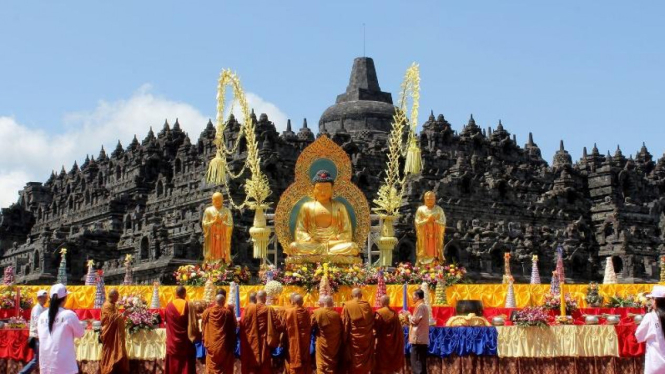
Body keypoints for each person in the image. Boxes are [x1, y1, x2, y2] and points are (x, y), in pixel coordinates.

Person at [37, 283, 86, 374]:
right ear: (65, 299)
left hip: (46, 364)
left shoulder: (42, 316)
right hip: (65, 365)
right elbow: (81, 333)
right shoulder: (69, 315)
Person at [240, 290, 282, 374]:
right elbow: (278, 325)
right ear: (265, 298)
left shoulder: (248, 309)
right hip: (264, 340)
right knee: (264, 362)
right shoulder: (269, 309)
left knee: (251, 360)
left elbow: (242, 324)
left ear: (256, 297)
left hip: (251, 340)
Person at [165, 286, 201, 374]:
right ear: (184, 294)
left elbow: (167, 322)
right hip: (185, 341)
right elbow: (193, 323)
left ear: (175, 293)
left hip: (173, 341)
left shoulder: (169, 306)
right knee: (186, 363)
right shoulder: (188, 305)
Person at [201, 293, 237, 374]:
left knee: (211, 366)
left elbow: (203, 326)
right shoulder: (227, 313)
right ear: (224, 302)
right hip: (223, 346)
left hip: (211, 345)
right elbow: (234, 327)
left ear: (214, 301)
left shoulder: (207, 312)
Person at [341, 288, 374, 374]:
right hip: (366, 339)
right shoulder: (367, 305)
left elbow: (345, 324)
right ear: (361, 295)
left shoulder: (348, 306)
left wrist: (343, 339)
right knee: (364, 365)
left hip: (354, 340)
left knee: (354, 363)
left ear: (352, 296)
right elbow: (371, 321)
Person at [636, 285, 665, 373]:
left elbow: (639, 336)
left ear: (655, 300)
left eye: (651, 298)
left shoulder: (650, 317)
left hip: (655, 363)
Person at [100, 289, 129, 374]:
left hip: (115, 333)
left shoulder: (113, 305)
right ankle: (107, 369)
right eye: (117, 297)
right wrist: (123, 315)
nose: (117, 298)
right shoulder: (107, 306)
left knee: (118, 351)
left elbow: (116, 316)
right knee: (109, 352)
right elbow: (111, 320)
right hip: (109, 334)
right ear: (112, 296)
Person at [18, 289, 47, 374]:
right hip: (37, 337)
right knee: (36, 359)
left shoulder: (43, 308)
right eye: (44, 297)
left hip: (41, 337)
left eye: (46, 297)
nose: (46, 299)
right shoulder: (37, 309)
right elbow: (39, 323)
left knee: (39, 359)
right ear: (39, 298)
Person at [311, 295, 342, 374]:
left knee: (321, 365)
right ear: (332, 303)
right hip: (334, 345)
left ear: (323, 303)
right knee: (332, 365)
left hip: (322, 344)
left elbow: (310, 325)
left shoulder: (318, 312)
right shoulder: (336, 315)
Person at [373, 296, 405, 374]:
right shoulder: (394, 313)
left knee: (381, 364)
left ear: (382, 302)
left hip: (382, 342)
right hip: (392, 343)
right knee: (390, 363)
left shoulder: (379, 313)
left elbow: (375, 327)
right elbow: (398, 330)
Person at [282, 294, 312, 374]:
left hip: (292, 338)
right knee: (304, 357)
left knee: (293, 355)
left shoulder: (289, 312)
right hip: (305, 338)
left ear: (293, 302)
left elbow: (283, 325)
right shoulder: (306, 311)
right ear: (302, 302)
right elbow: (310, 324)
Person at [404, 289, 430, 374]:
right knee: (420, 362)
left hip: (418, 339)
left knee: (417, 362)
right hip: (421, 339)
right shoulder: (422, 306)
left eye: (414, 296)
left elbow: (415, 320)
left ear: (418, 297)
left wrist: (408, 315)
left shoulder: (421, 306)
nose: (412, 298)